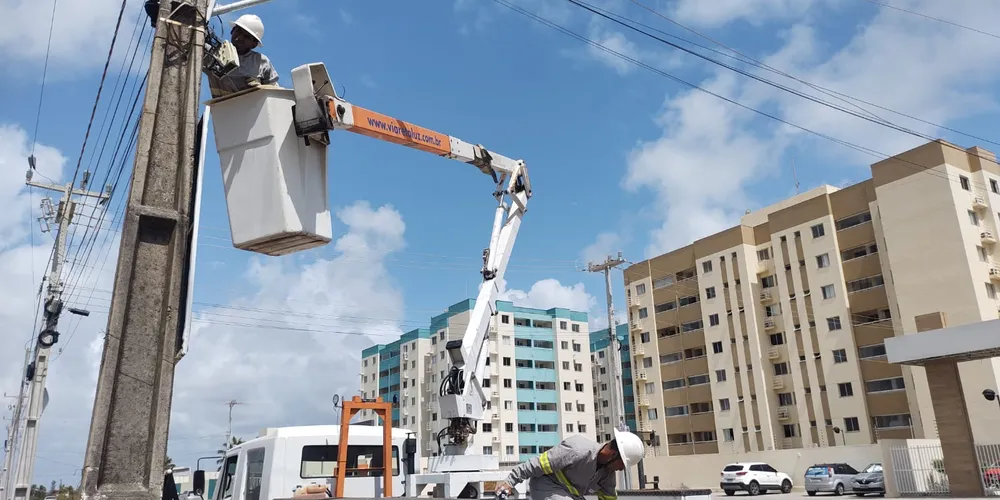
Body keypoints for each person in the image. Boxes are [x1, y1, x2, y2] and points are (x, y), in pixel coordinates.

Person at [495, 429, 645, 500]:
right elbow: (537, 464)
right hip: (546, 485)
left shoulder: (607, 473)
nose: (621, 469)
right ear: (613, 455)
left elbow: (609, 497)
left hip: (570, 495)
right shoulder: (577, 449)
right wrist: (510, 481)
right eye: (622, 464)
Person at [206, 13, 280, 97]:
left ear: (254, 44)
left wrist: (261, 89)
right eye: (238, 31)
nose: (240, 37)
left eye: (246, 36)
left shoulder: (261, 62)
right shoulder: (212, 53)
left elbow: (275, 92)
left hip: (252, 108)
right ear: (232, 31)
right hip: (223, 108)